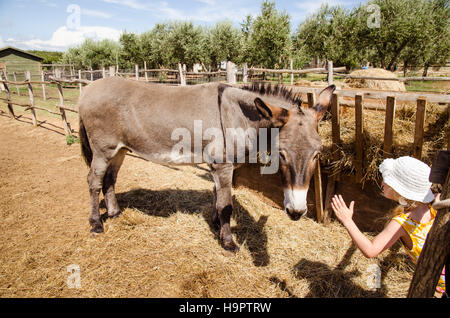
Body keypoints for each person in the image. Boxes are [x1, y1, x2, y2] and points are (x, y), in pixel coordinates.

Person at [331, 156, 445, 296]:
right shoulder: (437, 203)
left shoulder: (402, 223)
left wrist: (347, 220)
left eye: (388, 180)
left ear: (399, 188)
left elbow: (370, 250)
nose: (382, 182)